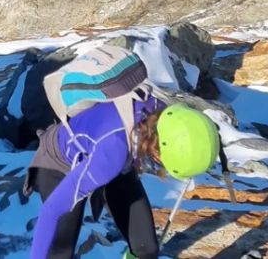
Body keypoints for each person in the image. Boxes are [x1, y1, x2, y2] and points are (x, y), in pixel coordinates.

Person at [26, 101, 220, 259]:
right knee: (59, 252)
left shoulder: (164, 116)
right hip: (61, 162)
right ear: (159, 153)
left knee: (146, 250)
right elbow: (51, 211)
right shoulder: (113, 152)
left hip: (115, 160)